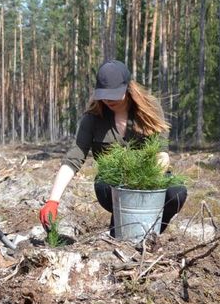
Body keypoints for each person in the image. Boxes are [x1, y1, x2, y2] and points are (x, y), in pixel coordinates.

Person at [39, 59, 187, 236]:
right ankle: (123, 230)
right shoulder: (92, 118)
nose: (109, 99)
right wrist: (53, 201)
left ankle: (149, 234)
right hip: (112, 184)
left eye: (114, 94)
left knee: (176, 193)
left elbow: (161, 154)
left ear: (128, 87)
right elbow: (73, 158)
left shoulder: (150, 108)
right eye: (104, 94)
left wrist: (148, 183)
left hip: (149, 178)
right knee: (105, 186)